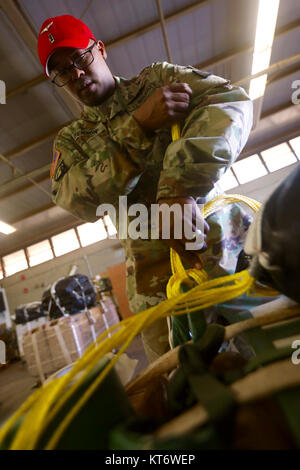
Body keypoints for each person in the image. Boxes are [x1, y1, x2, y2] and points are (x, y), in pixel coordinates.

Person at [37, 15, 253, 362]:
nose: (75, 74)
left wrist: (178, 187)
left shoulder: (157, 80)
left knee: (269, 347)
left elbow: (229, 101)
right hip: (158, 289)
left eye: (79, 58)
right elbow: (77, 199)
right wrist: (136, 128)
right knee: (187, 389)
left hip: (221, 248)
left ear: (100, 49)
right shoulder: (72, 141)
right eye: (62, 71)